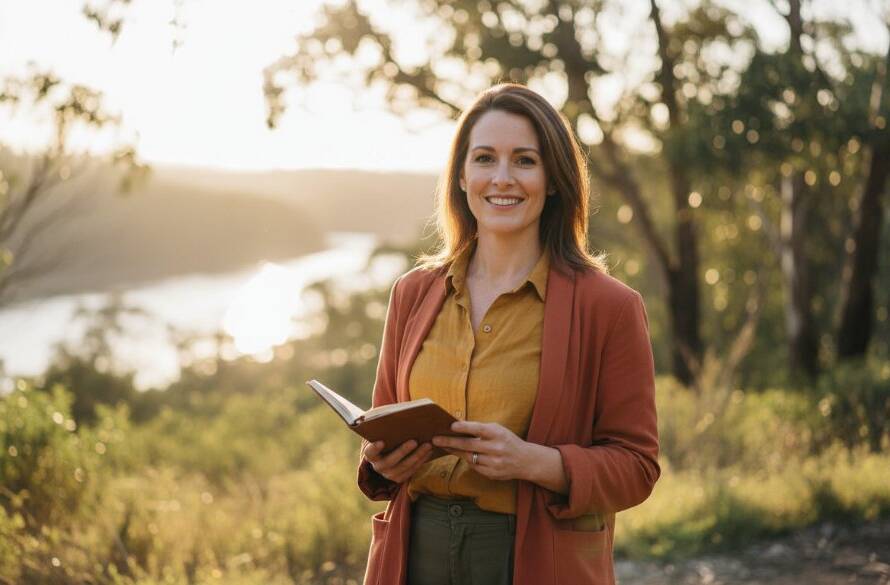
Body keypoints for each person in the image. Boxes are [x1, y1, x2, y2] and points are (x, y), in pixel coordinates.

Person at [357, 83, 659, 585]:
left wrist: (533, 462)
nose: (502, 178)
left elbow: (637, 468)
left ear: (553, 178)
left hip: (534, 557)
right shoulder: (412, 293)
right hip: (415, 554)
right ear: (461, 176)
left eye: (524, 161)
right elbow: (383, 432)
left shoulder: (609, 307)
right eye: (484, 159)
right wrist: (382, 461)